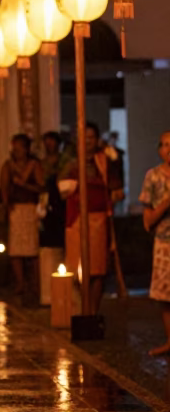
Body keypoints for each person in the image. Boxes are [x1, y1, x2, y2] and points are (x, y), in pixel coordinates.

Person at [60, 122, 123, 314]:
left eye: (91, 138)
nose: (87, 142)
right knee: (77, 268)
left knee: (98, 269)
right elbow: (61, 188)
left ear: (97, 140)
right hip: (76, 219)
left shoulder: (104, 160)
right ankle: (82, 309)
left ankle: (93, 312)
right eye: (83, 138)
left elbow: (116, 187)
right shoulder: (70, 161)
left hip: (98, 220)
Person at [0, 134, 44, 294]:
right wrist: (6, 204)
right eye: (15, 147)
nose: (17, 151)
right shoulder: (8, 166)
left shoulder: (34, 165)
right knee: (16, 249)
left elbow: (41, 187)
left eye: (20, 147)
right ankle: (20, 283)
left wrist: (25, 185)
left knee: (32, 248)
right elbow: (3, 186)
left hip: (30, 208)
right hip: (16, 209)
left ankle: (35, 283)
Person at [139, 131, 170, 357]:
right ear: (159, 149)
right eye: (166, 145)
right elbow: (148, 220)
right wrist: (166, 204)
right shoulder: (153, 176)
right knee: (165, 297)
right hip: (164, 242)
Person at [38, 131, 67, 249]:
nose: (48, 144)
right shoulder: (42, 163)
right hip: (46, 198)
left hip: (62, 198)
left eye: (51, 141)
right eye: (46, 142)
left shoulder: (64, 160)